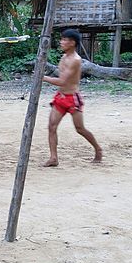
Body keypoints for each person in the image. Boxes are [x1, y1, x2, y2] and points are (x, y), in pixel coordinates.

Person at [42, 28, 103, 167]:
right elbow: (61, 79)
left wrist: (42, 78)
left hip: (72, 98)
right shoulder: (64, 58)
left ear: (72, 43)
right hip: (61, 97)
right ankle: (53, 158)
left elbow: (63, 81)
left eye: (65, 40)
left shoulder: (75, 60)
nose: (61, 42)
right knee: (52, 127)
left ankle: (98, 149)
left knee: (80, 129)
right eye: (62, 39)